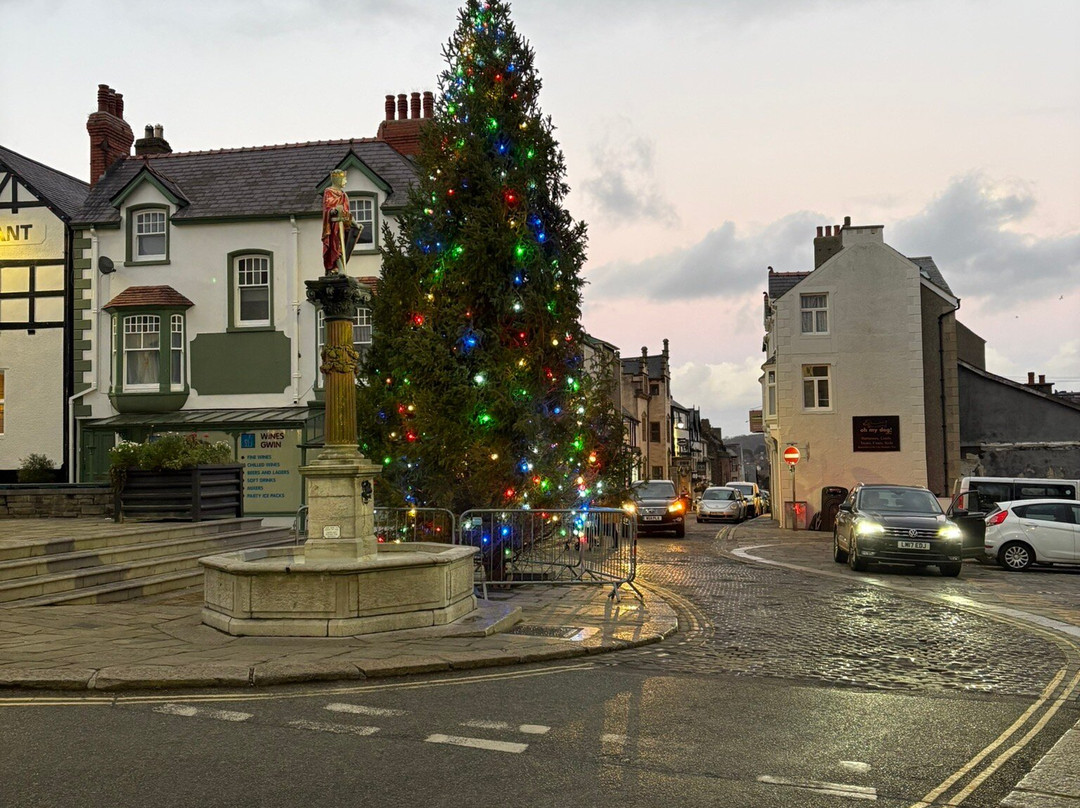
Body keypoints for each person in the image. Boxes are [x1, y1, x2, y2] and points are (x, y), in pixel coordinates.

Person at [322, 170, 354, 274]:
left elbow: (346, 212)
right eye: (344, 179)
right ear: (337, 180)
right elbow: (327, 206)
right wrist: (333, 210)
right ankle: (337, 267)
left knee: (343, 245)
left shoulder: (344, 195)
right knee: (335, 245)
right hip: (333, 226)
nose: (346, 181)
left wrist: (356, 224)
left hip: (343, 226)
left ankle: (339, 267)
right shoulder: (328, 191)